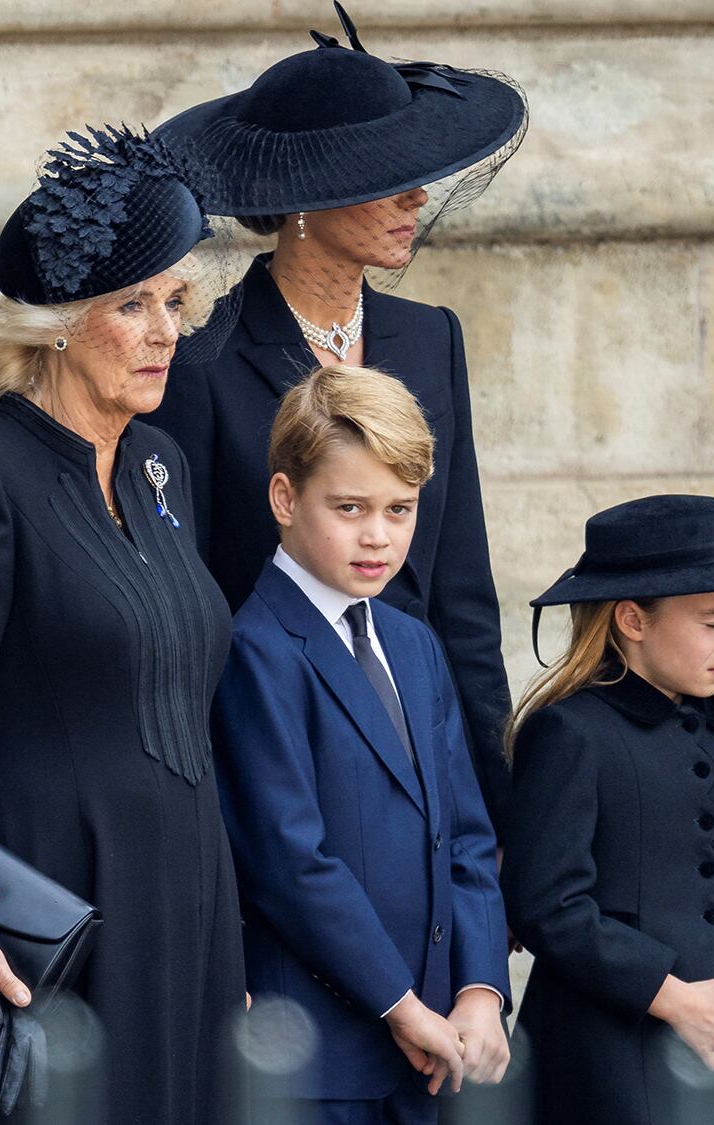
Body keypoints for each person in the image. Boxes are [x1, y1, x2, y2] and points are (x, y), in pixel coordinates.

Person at [0, 126, 245, 1124]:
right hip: (51, 909)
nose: (166, 331)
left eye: (174, 302)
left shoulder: (160, 466)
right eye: (132, 306)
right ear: (53, 325)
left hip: (185, 897)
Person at [148, 3, 527, 826]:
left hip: (426, 753)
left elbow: (462, 591)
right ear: (306, 198)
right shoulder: (201, 363)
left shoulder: (431, 339)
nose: (417, 197)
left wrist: (497, 814)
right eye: (386, 176)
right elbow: (191, 604)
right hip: (279, 767)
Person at [210, 365, 511, 1123]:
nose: (379, 534)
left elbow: (466, 836)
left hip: (436, 1049)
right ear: (285, 498)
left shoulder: (414, 644)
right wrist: (400, 1005)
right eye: (349, 507)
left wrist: (478, 988)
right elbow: (291, 859)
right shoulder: (254, 648)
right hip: (318, 1058)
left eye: (399, 509)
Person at [500, 495, 714, 1122]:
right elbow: (546, 905)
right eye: (711, 621)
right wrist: (670, 997)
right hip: (601, 1059)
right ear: (632, 621)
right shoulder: (571, 733)